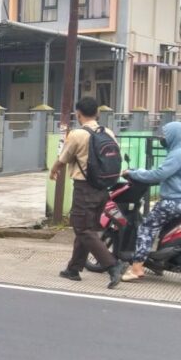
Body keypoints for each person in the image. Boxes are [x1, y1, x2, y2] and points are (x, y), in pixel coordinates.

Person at [49, 96, 124, 289]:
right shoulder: (107, 132)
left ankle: (112, 265)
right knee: (87, 228)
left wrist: (54, 169)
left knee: (82, 228)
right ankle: (73, 269)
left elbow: (64, 157)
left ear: (78, 113)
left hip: (84, 189)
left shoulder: (77, 134)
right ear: (98, 113)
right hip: (102, 188)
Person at [121, 120, 181, 281]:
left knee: (147, 228)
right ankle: (158, 263)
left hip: (174, 202)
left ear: (174, 136)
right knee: (165, 231)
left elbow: (158, 174)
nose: (163, 138)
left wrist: (133, 173)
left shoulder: (177, 154)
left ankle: (136, 268)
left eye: (165, 135)